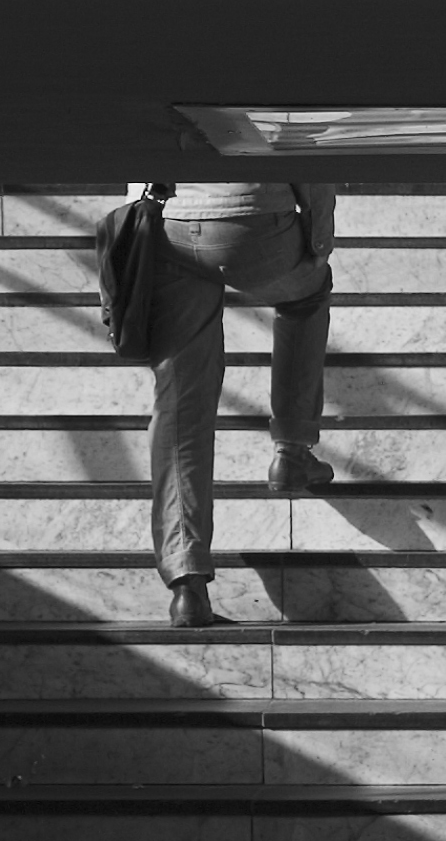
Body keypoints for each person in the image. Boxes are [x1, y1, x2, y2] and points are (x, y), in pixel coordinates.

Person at [131, 180, 336, 626]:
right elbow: (297, 133)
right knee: (308, 293)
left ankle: (187, 584)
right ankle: (293, 449)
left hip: (167, 222)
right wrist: (319, 237)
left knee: (181, 398)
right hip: (253, 224)